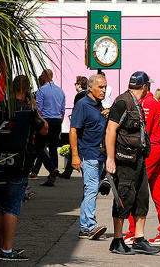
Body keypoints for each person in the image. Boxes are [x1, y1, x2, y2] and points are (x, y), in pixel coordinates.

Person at [0, 74, 48, 262]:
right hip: (18, 163)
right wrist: (35, 107)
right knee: (11, 207)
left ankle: (2, 246)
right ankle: (7, 249)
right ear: (27, 90)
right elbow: (43, 128)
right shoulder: (28, 110)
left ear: (10, 89)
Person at [104, 71, 160, 255]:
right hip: (124, 160)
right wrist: (110, 159)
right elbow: (111, 130)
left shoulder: (136, 103)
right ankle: (117, 240)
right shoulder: (123, 102)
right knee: (123, 198)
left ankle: (139, 238)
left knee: (142, 198)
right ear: (144, 87)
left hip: (138, 159)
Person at [121, 82, 160, 247]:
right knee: (159, 193)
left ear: (143, 88)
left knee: (134, 190)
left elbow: (136, 128)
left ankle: (132, 232)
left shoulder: (142, 104)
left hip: (147, 150)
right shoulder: (159, 103)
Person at [68, 74, 108, 242]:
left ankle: (86, 226)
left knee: (90, 190)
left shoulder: (99, 106)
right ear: (90, 87)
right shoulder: (82, 104)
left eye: (105, 87)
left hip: (99, 155)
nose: (104, 90)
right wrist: (75, 156)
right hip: (88, 154)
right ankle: (89, 226)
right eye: (101, 87)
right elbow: (73, 130)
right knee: (91, 189)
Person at [30, 69, 65, 187]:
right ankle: (52, 175)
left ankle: (51, 169)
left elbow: (38, 109)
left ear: (45, 76)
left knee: (39, 148)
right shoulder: (60, 91)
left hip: (46, 120)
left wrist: (41, 122)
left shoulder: (42, 90)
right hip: (57, 121)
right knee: (53, 148)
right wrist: (60, 123)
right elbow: (62, 111)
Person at [60, 76, 89, 179]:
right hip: (86, 125)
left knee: (74, 146)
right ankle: (68, 171)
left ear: (79, 85)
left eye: (75, 84)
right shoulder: (88, 94)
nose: (75, 86)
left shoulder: (79, 96)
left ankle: (68, 172)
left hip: (79, 125)